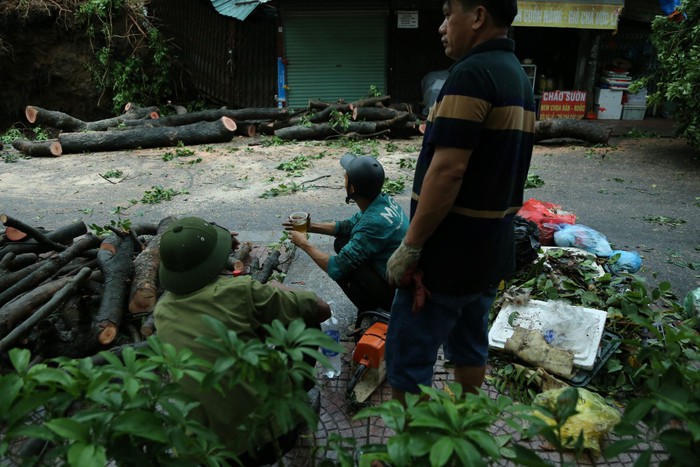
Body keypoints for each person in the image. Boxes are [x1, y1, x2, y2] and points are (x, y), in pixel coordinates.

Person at [384, 0, 535, 403]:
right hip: (489, 250)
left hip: (446, 256)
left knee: (408, 357)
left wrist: (411, 245)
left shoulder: (471, 74)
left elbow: (448, 170)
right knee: (470, 346)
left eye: (449, 13)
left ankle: (411, 451)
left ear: (479, 16)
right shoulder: (517, 76)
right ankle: (463, 429)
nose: (442, 26)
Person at [153, 216, 331, 465]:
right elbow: (321, 309)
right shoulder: (240, 291)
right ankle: (294, 401)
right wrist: (279, 289)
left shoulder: (161, 311)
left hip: (203, 450)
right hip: (266, 441)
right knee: (305, 321)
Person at [284, 153, 408, 329]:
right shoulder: (382, 202)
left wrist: (304, 243)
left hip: (397, 294)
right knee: (342, 241)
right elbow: (348, 226)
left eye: (346, 177)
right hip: (400, 277)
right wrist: (311, 226)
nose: (343, 179)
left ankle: (373, 309)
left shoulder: (373, 223)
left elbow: (335, 267)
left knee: (344, 269)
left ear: (352, 188)